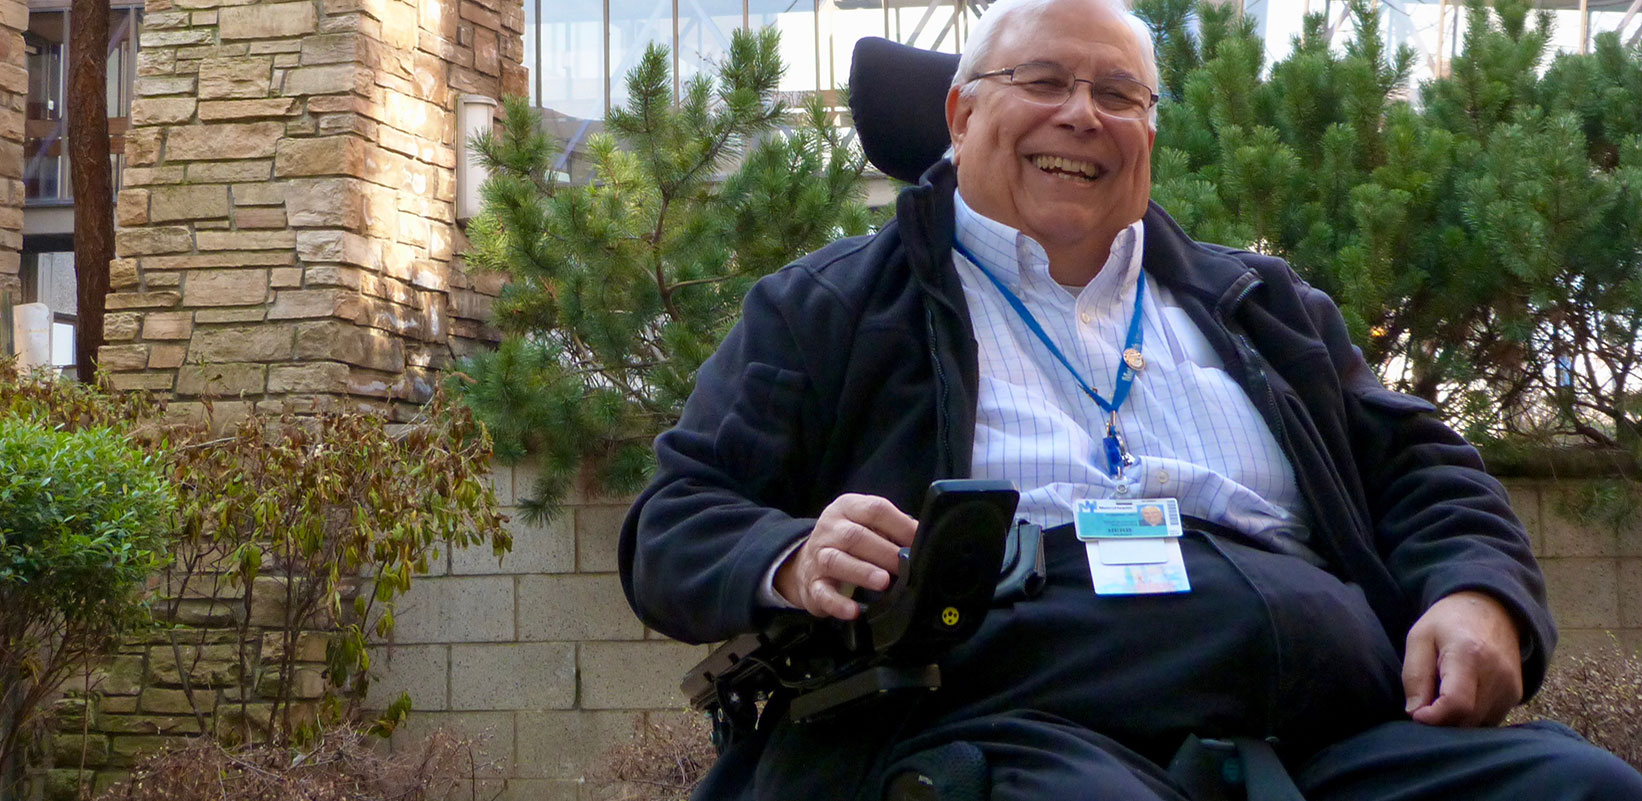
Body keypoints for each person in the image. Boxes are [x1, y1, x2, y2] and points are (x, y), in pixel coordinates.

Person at [618, 0, 1642, 798]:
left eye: (1119, 93)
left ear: (1147, 132)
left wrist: (1476, 593)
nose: (1082, 113)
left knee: (1577, 787)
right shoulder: (829, 308)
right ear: (961, 111)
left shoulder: (1262, 305)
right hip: (1009, 722)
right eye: (1045, 79)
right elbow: (677, 520)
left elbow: (1421, 470)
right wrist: (792, 556)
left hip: (1328, 730)